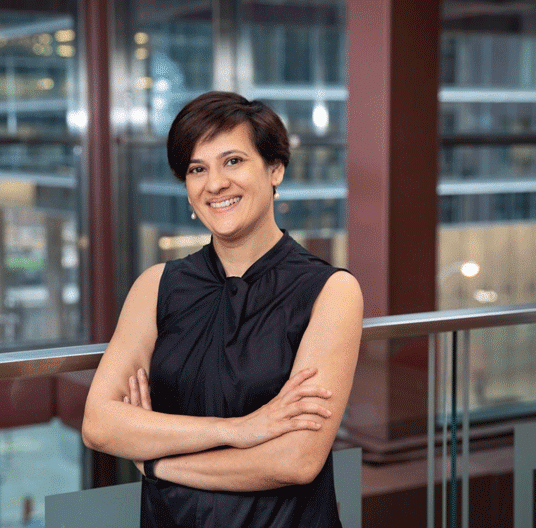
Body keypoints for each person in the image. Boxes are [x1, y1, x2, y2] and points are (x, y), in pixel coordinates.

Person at [82, 91, 362, 527]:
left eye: (233, 161)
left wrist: (158, 461)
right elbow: (100, 424)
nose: (215, 184)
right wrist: (238, 430)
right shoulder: (157, 286)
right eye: (198, 169)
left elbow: (295, 459)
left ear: (275, 169)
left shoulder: (330, 290)